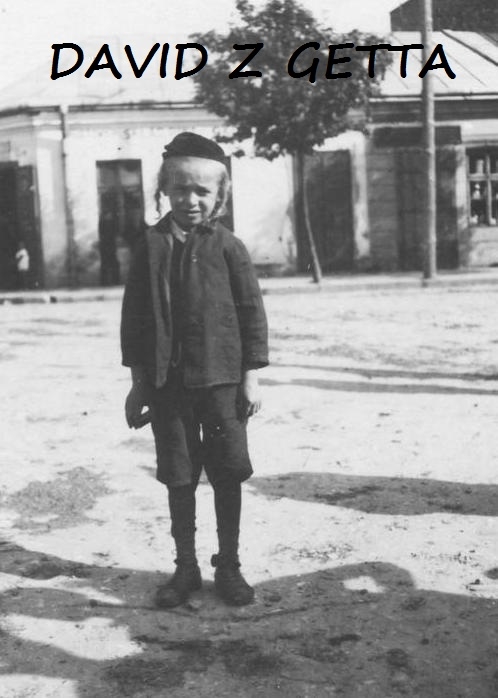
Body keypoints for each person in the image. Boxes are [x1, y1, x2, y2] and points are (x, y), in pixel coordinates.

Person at [120, 132, 269, 608]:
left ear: (220, 195)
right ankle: (185, 565)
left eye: (202, 191)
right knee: (179, 475)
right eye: (181, 188)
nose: (190, 200)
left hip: (222, 383)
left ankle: (229, 565)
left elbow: (252, 314)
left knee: (227, 473)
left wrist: (251, 376)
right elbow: (134, 319)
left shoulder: (229, 247)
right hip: (168, 385)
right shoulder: (150, 246)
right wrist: (139, 384)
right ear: (164, 189)